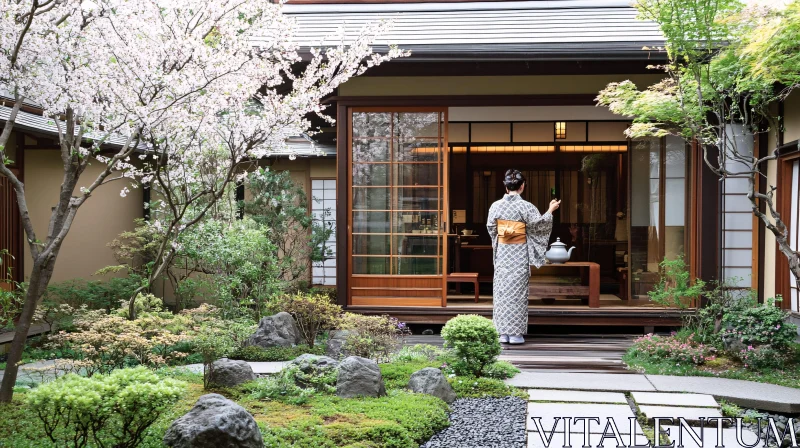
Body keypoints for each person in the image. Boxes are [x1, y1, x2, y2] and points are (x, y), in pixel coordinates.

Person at [487, 169, 560, 345]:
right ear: (522, 186)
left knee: (502, 292)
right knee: (517, 293)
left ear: (506, 187)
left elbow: (491, 228)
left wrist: (505, 235)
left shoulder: (496, 206)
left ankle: (502, 333)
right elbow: (539, 225)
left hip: (503, 253)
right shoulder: (526, 206)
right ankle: (515, 334)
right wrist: (550, 210)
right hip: (519, 253)